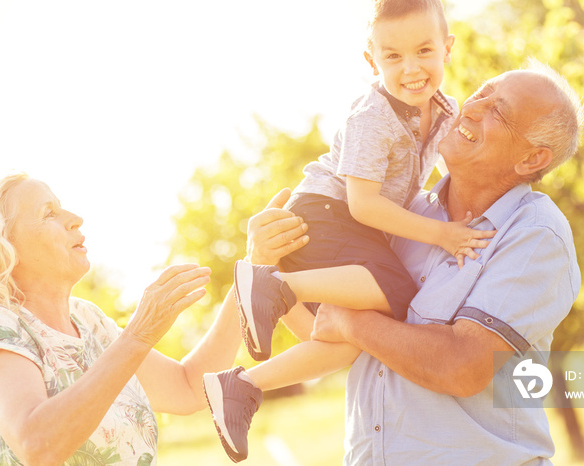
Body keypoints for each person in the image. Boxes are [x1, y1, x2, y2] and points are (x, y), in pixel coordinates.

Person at [245, 60, 584, 464]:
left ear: (531, 160)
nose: (472, 107)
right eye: (482, 92)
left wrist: (354, 322)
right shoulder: (401, 216)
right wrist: (266, 266)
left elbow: (463, 366)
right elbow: (322, 336)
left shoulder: (534, 234)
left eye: (498, 111)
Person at [203, 1, 494, 461]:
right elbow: (362, 204)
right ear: (371, 60)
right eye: (393, 57)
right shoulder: (371, 116)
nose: (412, 68)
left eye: (423, 51)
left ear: (447, 49)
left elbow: (457, 169)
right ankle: (273, 286)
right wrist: (441, 236)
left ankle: (240, 387)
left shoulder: (443, 111)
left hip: (343, 228)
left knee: (350, 341)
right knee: (396, 292)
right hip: (323, 214)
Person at [0, 173, 245, 465]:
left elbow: (188, 387)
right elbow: (36, 445)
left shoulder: (88, 320)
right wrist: (138, 335)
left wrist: (247, 281)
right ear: (4, 245)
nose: (75, 218)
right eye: (49, 214)